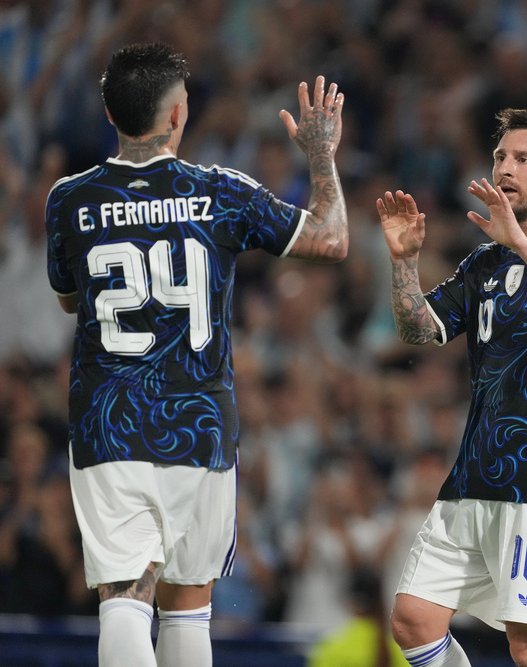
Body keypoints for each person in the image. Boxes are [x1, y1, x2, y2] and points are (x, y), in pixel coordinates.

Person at [44, 42, 349, 667]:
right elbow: (333, 239)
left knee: (125, 596)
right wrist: (320, 153)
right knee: (189, 605)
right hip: (200, 426)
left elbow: (70, 299)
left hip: (109, 424)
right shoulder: (220, 192)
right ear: (179, 115)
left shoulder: (69, 200)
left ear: (109, 113)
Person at [375, 108, 527, 667]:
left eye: (523, 158)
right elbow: (419, 330)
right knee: (413, 619)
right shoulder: (482, 260)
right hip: (473, 474)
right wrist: (405, 263)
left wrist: (523, 245)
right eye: (500, 157)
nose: (506, 167)